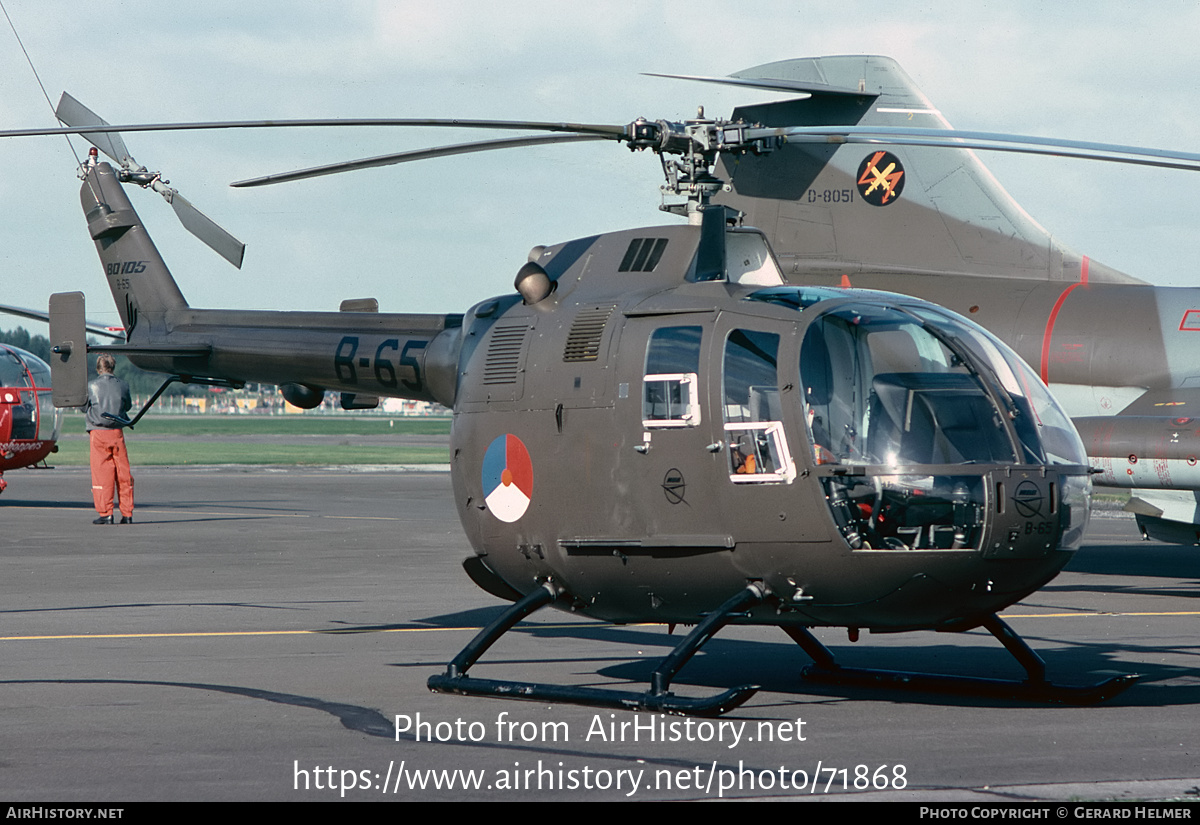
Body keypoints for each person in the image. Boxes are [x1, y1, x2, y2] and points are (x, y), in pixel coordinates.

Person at [85, 354, 134, 525]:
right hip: (117, 432)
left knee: (102, 474)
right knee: (123, 474)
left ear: (98, 368)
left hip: (98, 433)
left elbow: (85, 407)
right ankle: (127, 513)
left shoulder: (91, 386)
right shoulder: (123, 385)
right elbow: (128, 406)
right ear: (113, 367)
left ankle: (106, 513)